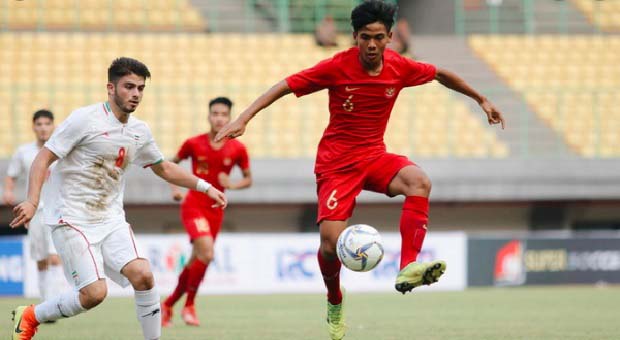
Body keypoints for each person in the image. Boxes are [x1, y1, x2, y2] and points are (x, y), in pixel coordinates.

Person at [215, 1, 505, 339]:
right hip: (336, 165)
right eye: (364, 37)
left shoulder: (399, 66)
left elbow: (441, 74)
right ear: (354, 36)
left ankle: (408, 266)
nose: (371, 45)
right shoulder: (336, 67)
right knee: (329, 245)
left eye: (378, 37)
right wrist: (244, 117)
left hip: (373, 156)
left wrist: (481, 99)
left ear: (389, 37)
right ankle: (335, 301)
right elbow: (285, 85)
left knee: (419, 181)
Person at [10, 57, 227, 340]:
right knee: (94, 294)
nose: (136, 94)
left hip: (111, 219)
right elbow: (43, 157)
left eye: (140, 88)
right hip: (71, 219)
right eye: (129, 87)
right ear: (110, 88)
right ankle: (31, 316)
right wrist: (32, 200)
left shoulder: (139, 131)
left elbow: (163, 167)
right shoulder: (84, 119)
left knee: (144, 275)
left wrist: (204, 185)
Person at [162, 96, 252, 327]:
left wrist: (231, 185)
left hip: (216, 209)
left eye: (224, 114)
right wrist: (175, 189)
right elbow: (169, 166)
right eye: (215, 114)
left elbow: (248, 180)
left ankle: (168, 305)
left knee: (197, 259)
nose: (219, 118)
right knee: (208, 253)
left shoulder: (238, 148)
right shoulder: (193, 143)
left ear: (230, 117)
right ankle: (189, 305)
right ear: (208, 116)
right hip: (194, 204)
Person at [3, 110, 67, 308]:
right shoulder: (24, 152)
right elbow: (11, 174)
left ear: (53, 126)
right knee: (41, 259)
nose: (43, 128)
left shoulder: (62, 148)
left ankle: (55, 302)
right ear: (33, 127)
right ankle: (45, 301)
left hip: (59, 209)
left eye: (47, 124)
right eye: (39, 124)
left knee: (55, 257)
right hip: (35, 211)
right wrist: (8, 191)